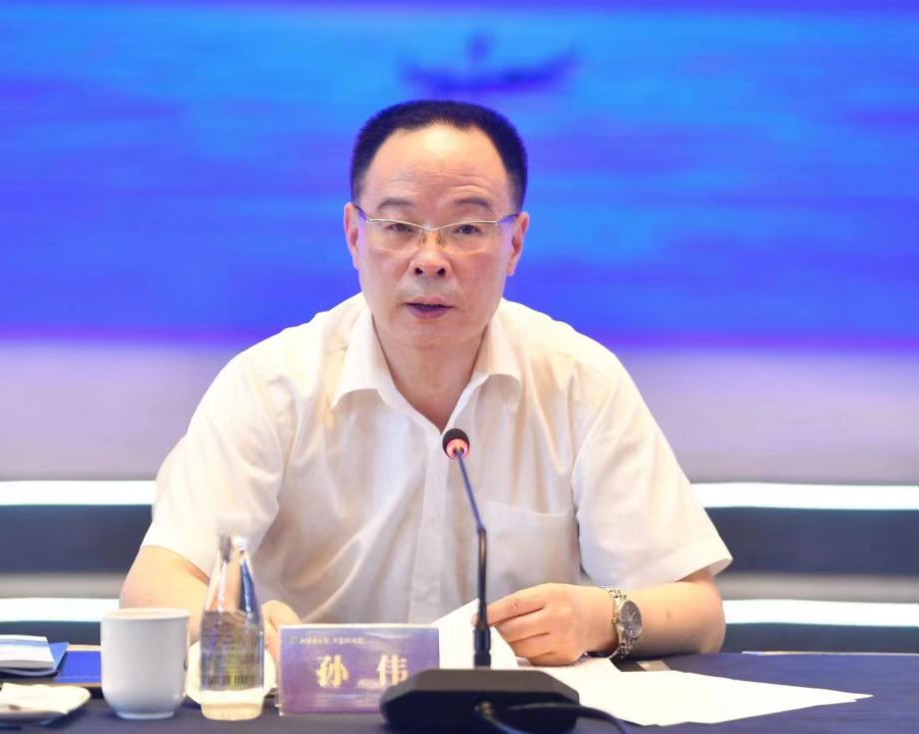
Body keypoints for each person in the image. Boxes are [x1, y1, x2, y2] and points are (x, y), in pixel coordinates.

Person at [121, 100, 731, 665]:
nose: (430, 259)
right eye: (398, 226)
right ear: (354, 235)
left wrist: (603, 617)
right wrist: (245, 627)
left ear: (514, 243)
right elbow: (153, 590)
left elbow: (700, 614)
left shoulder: (580, 382)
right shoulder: (269, 385)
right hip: (314, 713)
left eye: (467, 229)